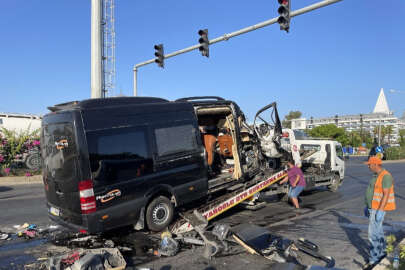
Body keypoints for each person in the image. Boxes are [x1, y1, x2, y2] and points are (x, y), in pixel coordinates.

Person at [362, 156, 396, 269]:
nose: (368, 166)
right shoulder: (376, 176)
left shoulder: (385, 176)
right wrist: (367, 206)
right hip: (373, 208)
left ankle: (374, 259)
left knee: (373, 235)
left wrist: (380, 210)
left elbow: (386, 194)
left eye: (369, 164)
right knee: (378, 233)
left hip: (378, 209)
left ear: (375, 165)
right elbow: (372, 191)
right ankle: (381, 254)